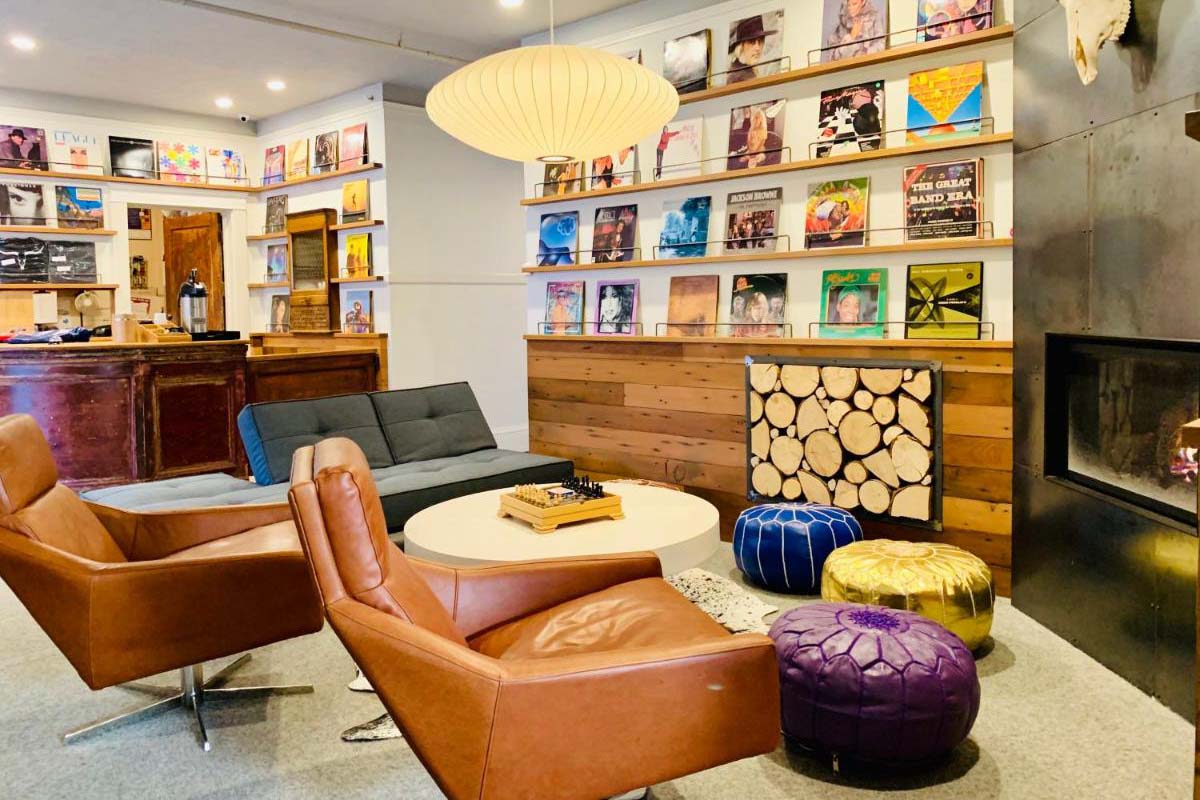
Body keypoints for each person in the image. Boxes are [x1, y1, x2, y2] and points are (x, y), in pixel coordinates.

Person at [727, 15, 777, 84]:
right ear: (741, 45)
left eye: (761, 40)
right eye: (752, 42)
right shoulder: (739, 77)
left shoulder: (750, 71)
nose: (758, 48)